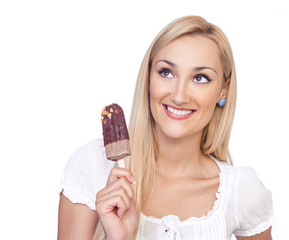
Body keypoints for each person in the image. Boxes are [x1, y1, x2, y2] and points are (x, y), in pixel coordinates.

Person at [58, 16, 273, 240]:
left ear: (223, 90)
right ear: (149, 78)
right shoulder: (94, 167)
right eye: (166, 73)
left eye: (200, 78)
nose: (179, 96)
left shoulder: (242, 192)